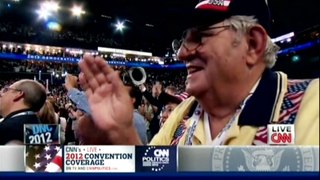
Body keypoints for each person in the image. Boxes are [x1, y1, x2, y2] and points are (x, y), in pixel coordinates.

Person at [78, 0, 319, 145]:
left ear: (252, 44)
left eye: (200, 37)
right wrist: (123, 136)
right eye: (183, 40)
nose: (182, 53)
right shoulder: (185, 111)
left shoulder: (310, 107)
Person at [0, 79, 47, 145]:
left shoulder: (5, 130)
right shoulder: (45, 131)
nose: (1, 93)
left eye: (6, 90)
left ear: (19, 94)